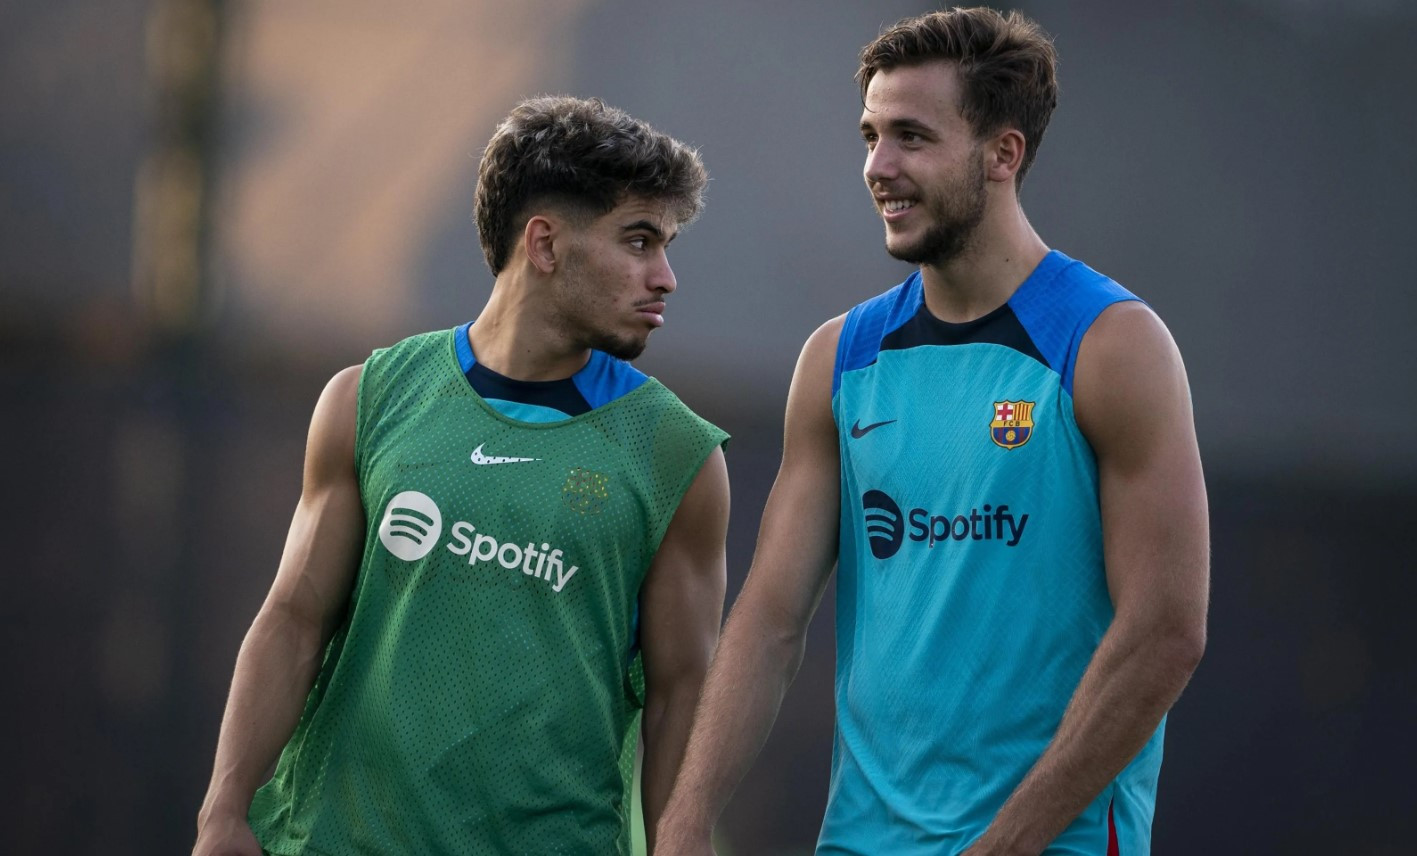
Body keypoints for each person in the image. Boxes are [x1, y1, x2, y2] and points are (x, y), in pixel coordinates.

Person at [657, 8, 1208, 855]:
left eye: (911, 136)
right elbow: (769, 617)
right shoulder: (839, 357)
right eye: (870, 135)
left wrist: (1008, 841)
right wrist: (687, 819)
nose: (878, 166)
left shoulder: (1110, 344)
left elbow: (1165, 632)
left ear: (1002, 154)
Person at [193, 95, 730, 856]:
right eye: (638, 241)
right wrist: (223, 812)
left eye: (666, 245)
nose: (665, 277)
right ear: (543, 244)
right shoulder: (367, 399)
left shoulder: (678, 454)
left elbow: (684, 696)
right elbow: (292, 620)